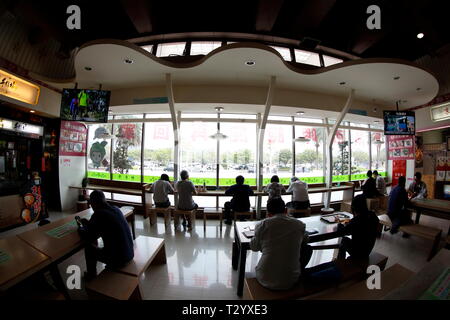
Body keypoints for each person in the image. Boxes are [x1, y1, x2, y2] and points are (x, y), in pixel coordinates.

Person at [249, 198, 311, 290]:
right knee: (307, 249)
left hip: (264, 277)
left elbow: (254, 247)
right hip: (291, 280)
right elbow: (305, 241)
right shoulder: (299, 224)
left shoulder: (262, 225)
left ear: (268, 213)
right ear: (286, 210)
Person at [78, 190, 134, 279]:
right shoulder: (116, 209)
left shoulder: (98, 214)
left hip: (119, 259)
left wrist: (81, 227)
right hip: (130, 253)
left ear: (93, 203)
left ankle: (91, 275)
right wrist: (89, 224)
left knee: (89, 249)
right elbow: (102, 225)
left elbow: (88, 236)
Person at [336, 194, 380, 259]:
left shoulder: (357, 220)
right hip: (367, 250)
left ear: (354, 207)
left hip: (359, 253)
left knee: (344, 240)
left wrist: (339, 223)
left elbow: (342, 232)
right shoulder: (373, 216)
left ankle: (340, 262)